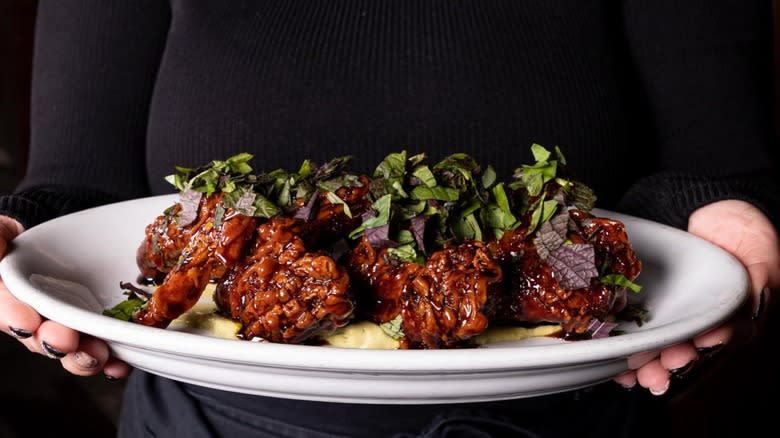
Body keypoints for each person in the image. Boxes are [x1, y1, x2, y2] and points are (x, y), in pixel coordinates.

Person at [1, 1, 778, 436]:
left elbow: (716, 162)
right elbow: (75, 189)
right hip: (208, 423)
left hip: (577, 417)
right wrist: (26, 242)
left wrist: (719, 221)